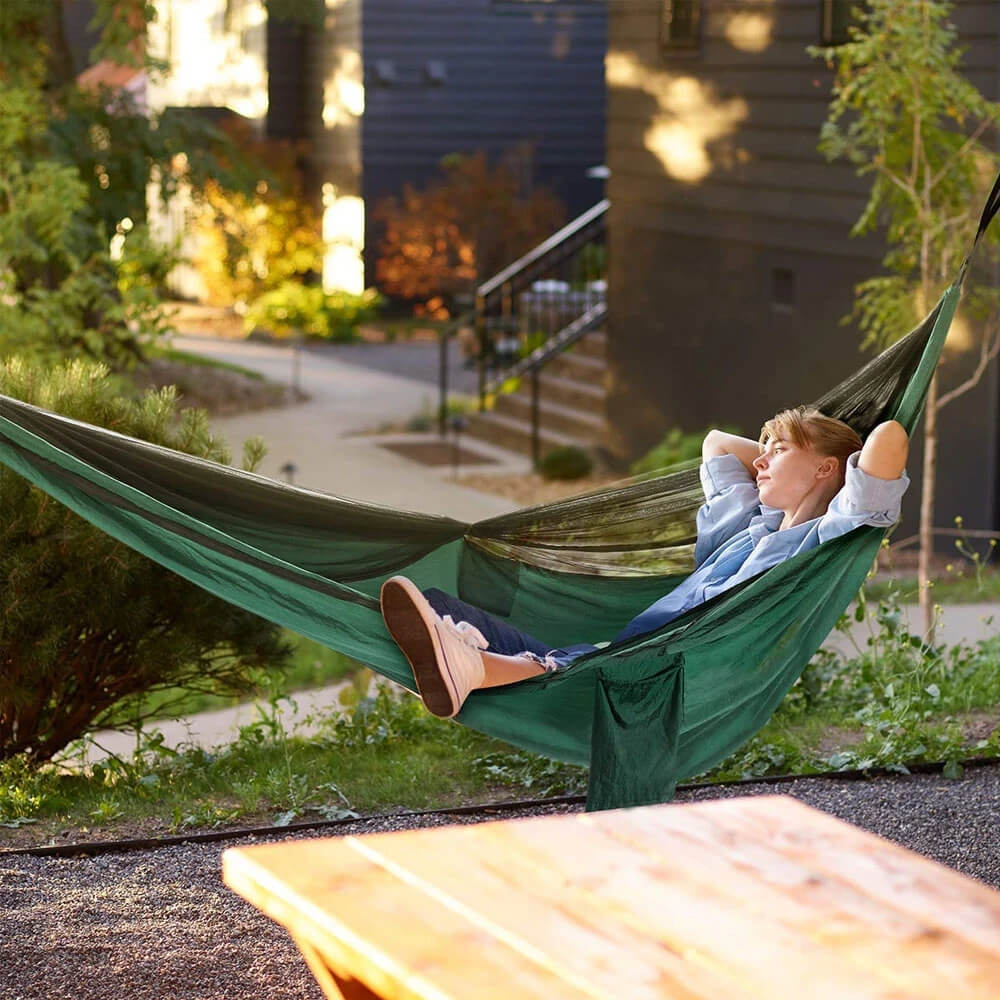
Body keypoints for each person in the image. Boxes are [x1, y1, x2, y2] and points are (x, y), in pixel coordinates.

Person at [380, 407, 910, 719]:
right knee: (428, 604)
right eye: (764, 449)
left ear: (826, 467)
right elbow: (718, 444)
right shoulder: (748, 525)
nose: (763, 460)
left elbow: (888, 440)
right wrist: (789, 447)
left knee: (560, 669)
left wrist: (827, 454)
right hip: (613, 655)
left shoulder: (819, 543)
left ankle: (473, 667)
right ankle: (466, 664)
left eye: (779, 451)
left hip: (652, 679)